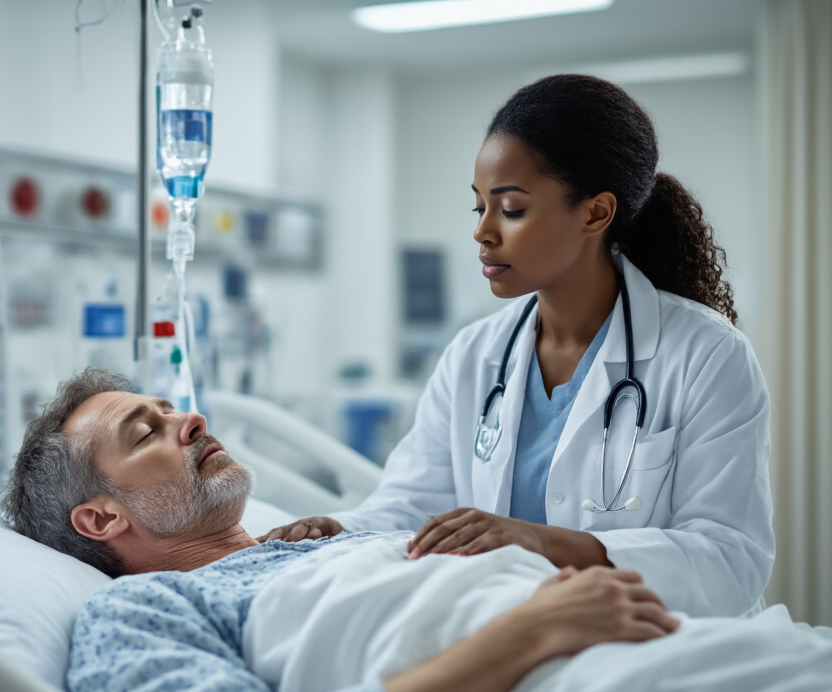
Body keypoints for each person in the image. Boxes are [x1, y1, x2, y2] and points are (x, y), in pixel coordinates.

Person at [0, 368, 680, 692]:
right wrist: (528, 632)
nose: (194, 420)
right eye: (147, 431)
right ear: (100, 519)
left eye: (172, 409)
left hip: (659, 663)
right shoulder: (143, 612)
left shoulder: (328, 540)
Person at [261, 74, 773, 618]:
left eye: (511, 209)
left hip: (670, 644)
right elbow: (413, 504)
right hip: (523, 637)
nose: (483, 231)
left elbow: (729, 561)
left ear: (596, 213)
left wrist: (540, 541)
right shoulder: (474, 355)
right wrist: (339, 530)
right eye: (478, 206)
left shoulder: (707, 354)